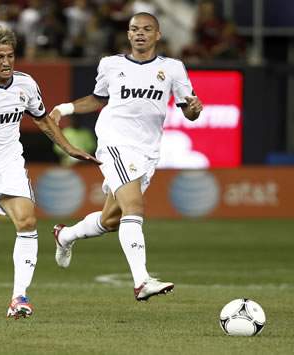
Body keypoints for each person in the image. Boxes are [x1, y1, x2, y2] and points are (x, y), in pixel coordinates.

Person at [0, 25, 100, 319]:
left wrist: (68, 147)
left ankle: (19, 298)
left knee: (27, 220)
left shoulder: (26, 84)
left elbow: (43, 119)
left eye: (10, 55)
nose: (6, 62)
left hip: (9, 165)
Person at [50, 12, 203, 301]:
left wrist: (195, 108)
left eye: (147, 29)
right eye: (134, 29)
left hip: (147, 150)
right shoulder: (111, 64)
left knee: (111, 220)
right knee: (135, 206)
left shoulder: (172, 68)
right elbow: (98, 98)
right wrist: (64, 109)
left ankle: (65, 235)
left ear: (158, 35)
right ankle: (142, 281)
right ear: (128, 34)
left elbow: (189, 111)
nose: (140, 33)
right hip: (115, 142)